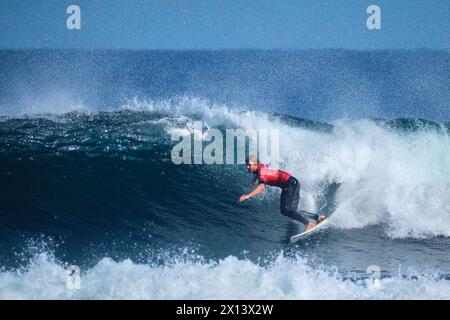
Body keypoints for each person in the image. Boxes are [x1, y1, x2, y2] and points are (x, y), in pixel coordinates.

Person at [239, 154, 326, 232]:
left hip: (290, 185)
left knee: (287, 210)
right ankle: (318, 217)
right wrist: (256, 178)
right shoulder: (260, 167)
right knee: (290, 211)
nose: (247, 167)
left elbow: (262, 186)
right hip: (292, 183)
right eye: (246, 164)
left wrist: (248, 195)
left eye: (249, 165)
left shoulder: (261, 171)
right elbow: (265, 172)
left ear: (255, 164)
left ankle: (309, 224)